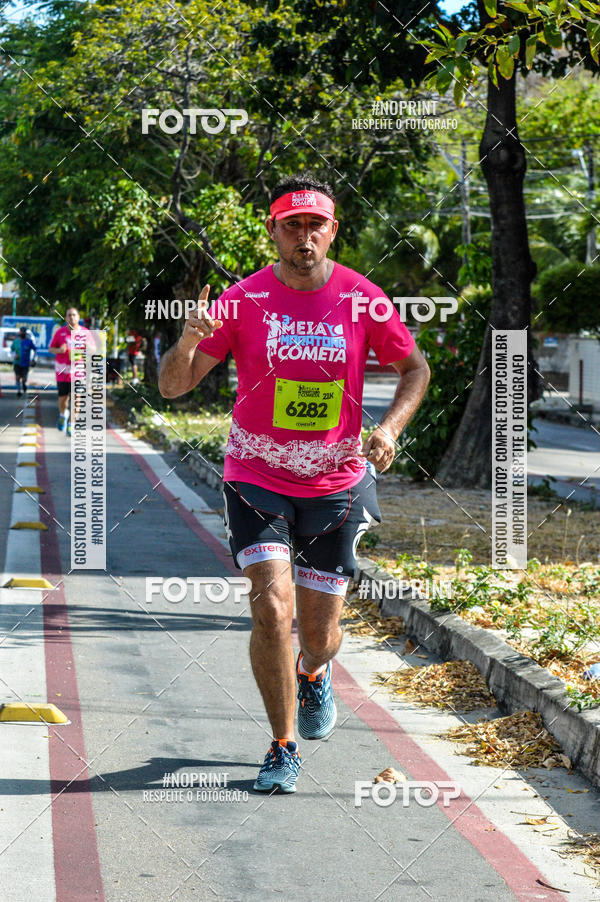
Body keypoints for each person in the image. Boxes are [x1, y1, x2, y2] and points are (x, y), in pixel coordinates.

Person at [158, 174, 430, 794]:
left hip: (336, 481)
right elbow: (174, 385)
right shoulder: (239, 302)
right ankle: (281, 746)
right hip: (256, 475)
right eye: (292, 225)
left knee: (320, 633)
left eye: (316, 225)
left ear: (333, 230)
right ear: (273, 231)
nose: (304, 237)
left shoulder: (364, 299)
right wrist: (189, 340)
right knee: (270, 607)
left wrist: (388, 428)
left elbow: (414, 367)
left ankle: (314, 670)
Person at [48, 307, 89, 436]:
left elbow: (94, 349)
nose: (72, 317)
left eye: (74, 315)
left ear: (78, 317)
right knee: (63, 400)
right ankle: (62, 415)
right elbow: (51, 349)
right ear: (66, 318)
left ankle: (71, 425)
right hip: (62, 371)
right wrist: (59, 350)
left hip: (78, 371)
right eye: (69, 315)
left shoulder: (86, 332)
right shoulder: (60, 333)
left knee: (77, 398)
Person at [11, 326, 37, 397]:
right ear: (19, 332)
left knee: (24, 379)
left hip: (26, 363)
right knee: (17, 377)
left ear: (25, 333)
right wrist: (14, 355)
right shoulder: (16, 341)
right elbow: (11, 350)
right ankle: (19, 391)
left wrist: (33, 359)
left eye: (23, 332)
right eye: (21, 331)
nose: (22, 333)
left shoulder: (29, 341)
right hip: (17, 362)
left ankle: (24, 384)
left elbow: (35, 350)